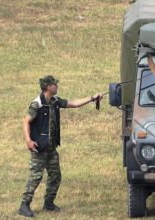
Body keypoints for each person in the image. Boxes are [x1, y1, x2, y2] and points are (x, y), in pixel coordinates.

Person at [18, 75, 103, 217]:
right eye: (55, 84)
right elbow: (26, 121)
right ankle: (24, 205)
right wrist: (28, 140)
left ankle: (49, 203)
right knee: (35, 177)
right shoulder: (37, 104)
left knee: (55, 176)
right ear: (48, 87)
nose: (57, 86)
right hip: (39, 147)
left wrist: (92, 98)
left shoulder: (55, 101)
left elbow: (74, 103)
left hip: (51, 148)